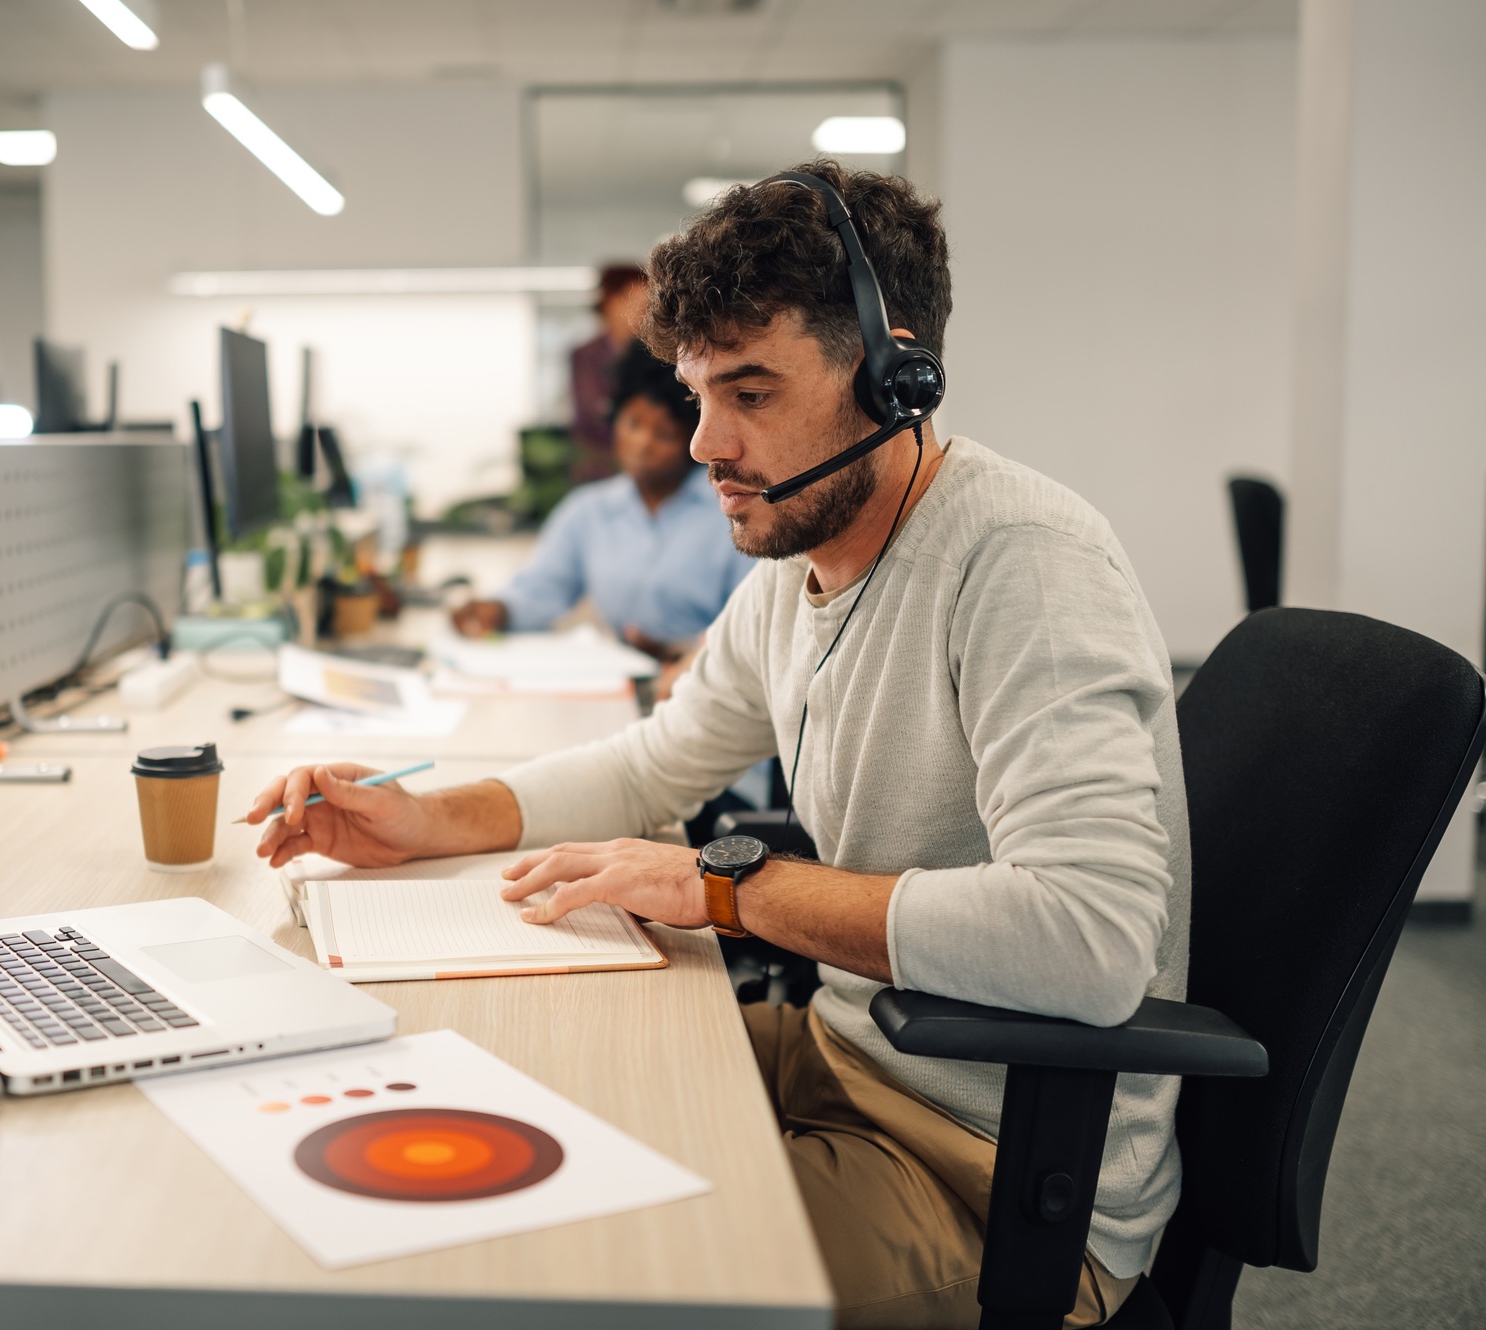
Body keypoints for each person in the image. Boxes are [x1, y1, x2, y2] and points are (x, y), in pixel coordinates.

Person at [245, 159, 1184, 1329]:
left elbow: (1089, 938)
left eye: (748, 393)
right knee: (493, 1102)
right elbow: (652, 764)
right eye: (696, 394)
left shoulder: (1021, 565)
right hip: (849, 1049)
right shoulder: (799, 566)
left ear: (894, 376)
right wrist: (428, 818)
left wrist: (727, 893)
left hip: (988, 1161)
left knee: (572, 1275)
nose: (703, 445)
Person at [451, 340, 753, 688]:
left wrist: (683, 652)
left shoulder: (730, 512)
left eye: (665, 433)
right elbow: (544, 586)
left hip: (710, 686)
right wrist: (499, 610)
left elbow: (752, 622)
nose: (643, 443)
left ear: (694, 439)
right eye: (633, 423)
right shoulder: (588, 512)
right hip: (618, 685)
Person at [566, 263, 651, 482]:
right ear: (610, 302)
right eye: (635, 303)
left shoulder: (653, 354)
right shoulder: (585, 356)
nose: (641, 312)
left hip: (647, 466)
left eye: (646, 305)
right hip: (599, 467)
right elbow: (592, 412)